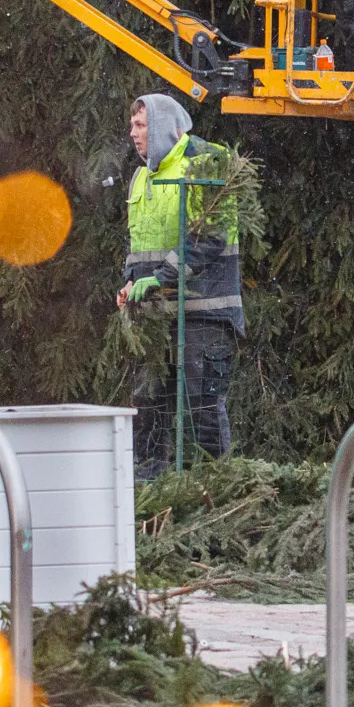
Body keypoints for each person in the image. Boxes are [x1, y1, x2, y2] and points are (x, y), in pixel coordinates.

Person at [115, 93, 243, 476]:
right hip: (157, 314)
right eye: (132, 125)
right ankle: (150, 491)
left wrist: (161, 277)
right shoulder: (142, 175)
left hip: (204, 311)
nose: (133, 134)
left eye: (141, 125)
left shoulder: (207, 163)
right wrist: (130, 280)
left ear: (167, 127)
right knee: (148, 407)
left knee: (201, 408)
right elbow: (137, 240)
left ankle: (213, 496)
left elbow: (210, 236)